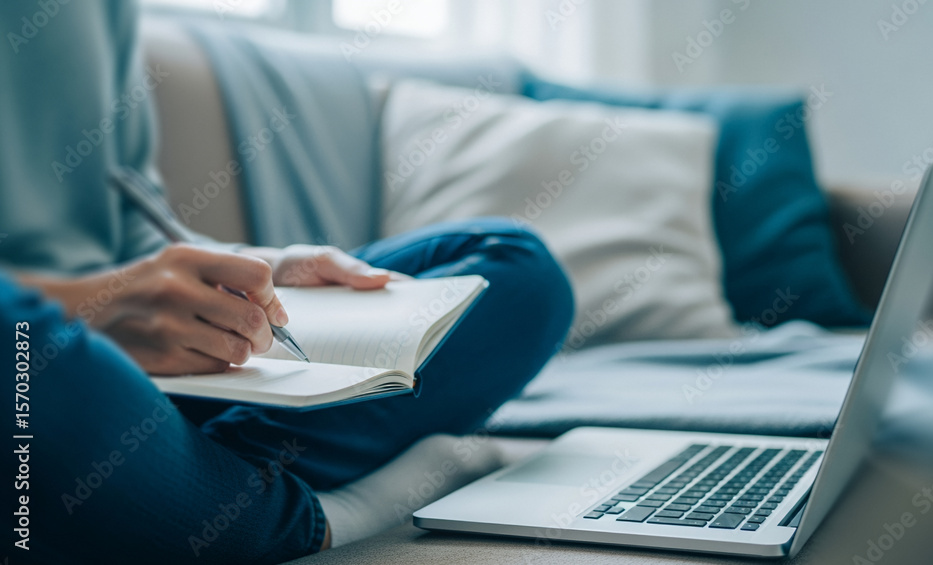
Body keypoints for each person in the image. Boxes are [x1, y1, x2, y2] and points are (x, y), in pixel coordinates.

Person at [1, 1, 573, 563]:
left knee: (512, 265)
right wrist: (88, 308)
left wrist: (258, 268)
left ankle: (201, 484)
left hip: (142, 381)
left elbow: (136, 224)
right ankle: (282, 516)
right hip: (40, 370)